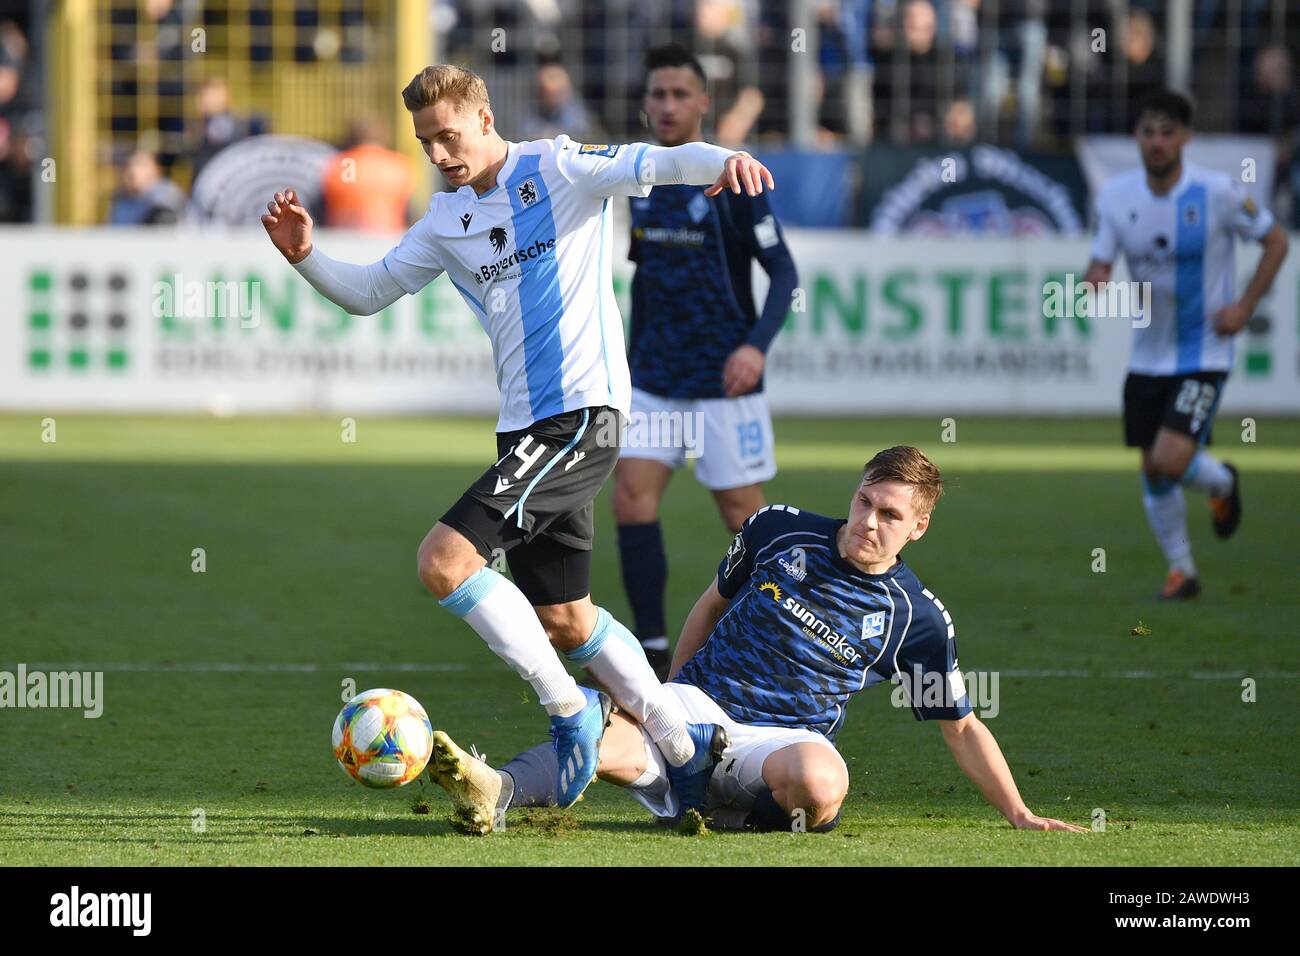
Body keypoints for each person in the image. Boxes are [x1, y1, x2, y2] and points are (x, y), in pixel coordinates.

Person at [261, 64, 777, 807]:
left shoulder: (558, 166)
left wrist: (720, 161)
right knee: (566, 617)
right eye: (424, 142)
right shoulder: (445, 221)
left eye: (447, 135)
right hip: (524, 432)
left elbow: (659, 162)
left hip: (580, 415)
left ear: (482, 116)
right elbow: (371, 292)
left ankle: (571, 715)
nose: (438, 154)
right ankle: (682, 741)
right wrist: (305, 256)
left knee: (444, 562)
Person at [427, 446, 1087, 835]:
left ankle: (727, 817)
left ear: (918, 528)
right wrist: (669, 698)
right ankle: (494, 790)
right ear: (853, 494)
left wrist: (1020, 815)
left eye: (891, 515)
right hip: (699, 705)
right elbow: (710, 605)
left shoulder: (914, 617)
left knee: (823, 783)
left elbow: (961, 727)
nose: (870, 521)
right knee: (602, 736)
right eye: (865, 502)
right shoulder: (779, 530)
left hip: (782, 742)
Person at [613, 44, 798, 678]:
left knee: (744, 520)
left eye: (679, 94)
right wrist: (627, 357)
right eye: (657, 94)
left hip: (724, 380)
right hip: (655, 379)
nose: (667, 105)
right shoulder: (636, 181)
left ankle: (775, 644)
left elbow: (784, 271)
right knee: (632, 499)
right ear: (644, 104)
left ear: (702, 104)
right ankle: (653, 649)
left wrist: (754, 347)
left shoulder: (735, 177)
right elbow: (645, 278)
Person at [1084, 89, 1289, 600]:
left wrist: (1244, 307)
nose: (1157, 142)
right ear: (1138, 137)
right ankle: (1182, 571)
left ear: (1185, 138)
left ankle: (1222, 482)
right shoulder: (1115, 196)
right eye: (1148, 132)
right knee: (1153, 467)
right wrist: (1094, 282)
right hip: (1147, 356)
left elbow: (1276, 241)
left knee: (1170, 459)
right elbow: (1099, 265)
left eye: (1167, 132)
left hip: (1205, 352)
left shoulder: (1217, 192)